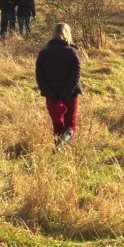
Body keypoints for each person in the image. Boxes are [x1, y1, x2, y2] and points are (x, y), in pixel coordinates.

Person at [35, 23, 84, 151]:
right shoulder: (72, 53)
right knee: (70, 126)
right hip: (70, 95)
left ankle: (57, 148)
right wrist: (64, 94)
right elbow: (75, 77)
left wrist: (52, 94)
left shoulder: (43, 53)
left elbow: (40, 78)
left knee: (57, 124)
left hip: (52, 96)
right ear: (68, 34)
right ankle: (59, 146)